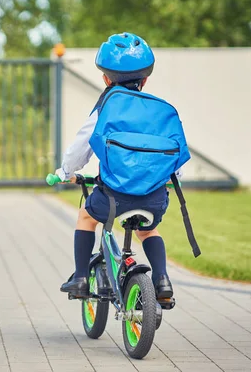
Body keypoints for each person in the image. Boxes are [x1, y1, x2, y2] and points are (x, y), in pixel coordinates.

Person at [55, 32, 182, 301]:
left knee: (86, 217)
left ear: (105, 78)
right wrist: (173, 178)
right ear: (145, 79)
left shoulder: (107, 106)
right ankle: (162, 280)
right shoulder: (159, 111)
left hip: (113, 200)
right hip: (154, 199)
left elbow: (82, 147)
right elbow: (175, 155)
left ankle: (79, 278)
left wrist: (65, 172)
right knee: (148, 229)